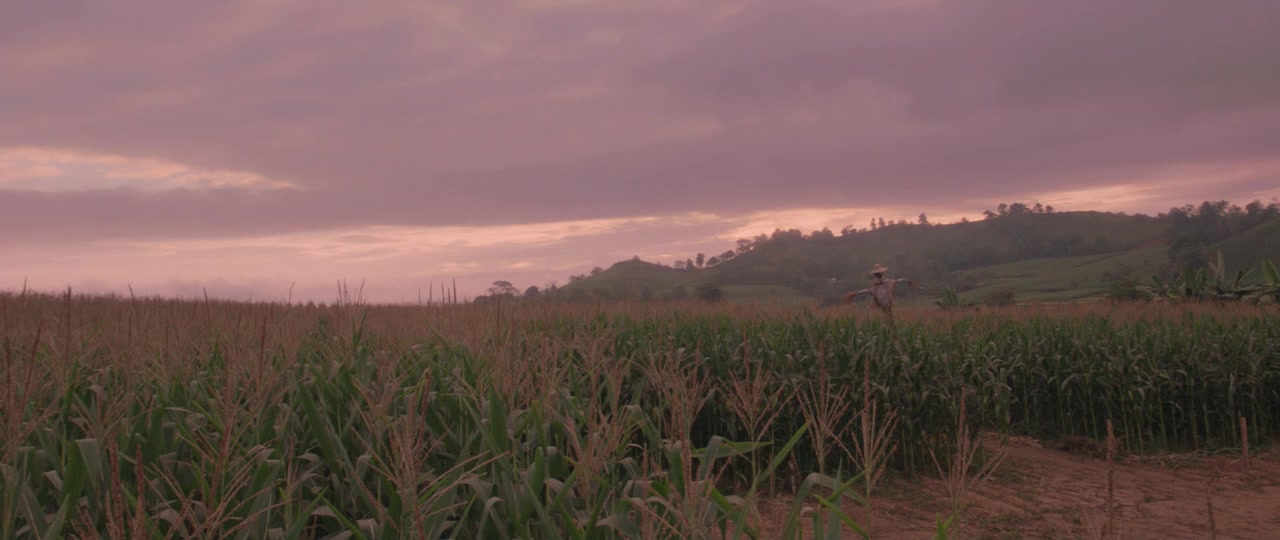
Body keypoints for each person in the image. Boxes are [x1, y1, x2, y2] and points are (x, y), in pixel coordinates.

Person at [843, 264, 916, 316]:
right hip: (882, 305)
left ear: (881, 273)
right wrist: (857, 293)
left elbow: (897, 281)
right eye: (876, 273)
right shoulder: (876, 285)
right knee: (886, 317)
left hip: (887, 304)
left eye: (878, 273)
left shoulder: (888, 282)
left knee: (888, 317)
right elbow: (868, 290)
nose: (877, 274)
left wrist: (907, 281)